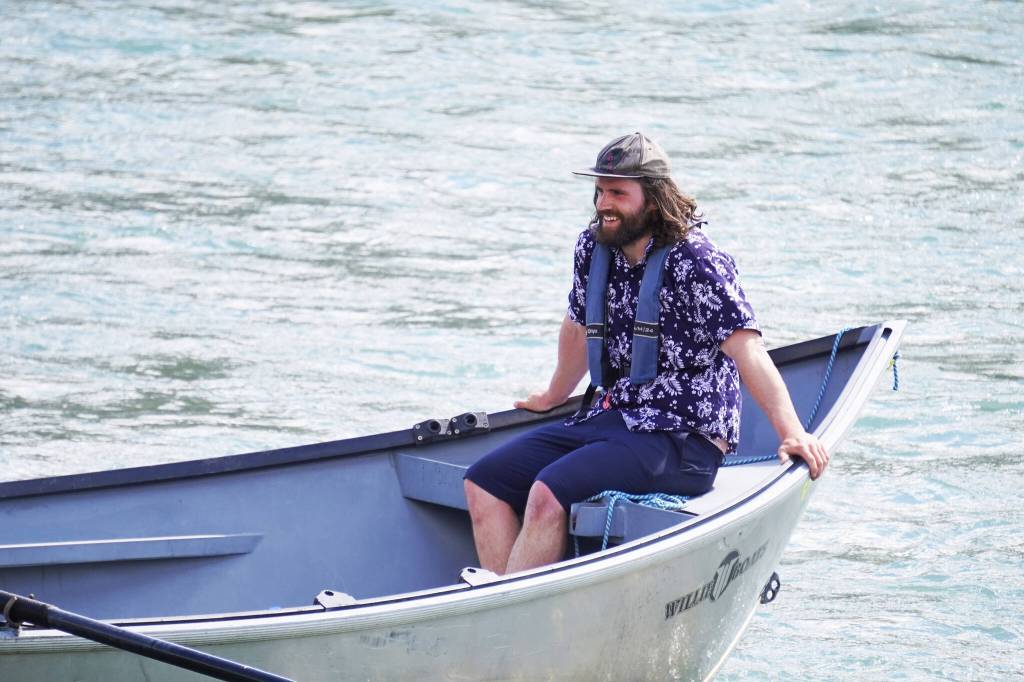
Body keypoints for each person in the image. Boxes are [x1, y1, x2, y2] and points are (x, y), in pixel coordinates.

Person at [463, 132, 829, 575]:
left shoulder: (698, 262)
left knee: (547, 492)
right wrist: (554, 393)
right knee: (484, 482)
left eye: (618, 193)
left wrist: (791, 431)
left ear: (653, 200)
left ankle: (510, 622)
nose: (603, 203)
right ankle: (509, 623)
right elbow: (579, 327)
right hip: (610, 418)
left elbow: (747, 349)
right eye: (600, 191)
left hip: (682, 438)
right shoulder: (593, 247)